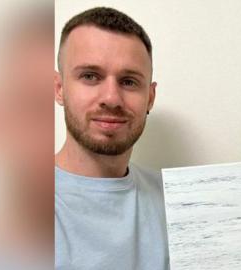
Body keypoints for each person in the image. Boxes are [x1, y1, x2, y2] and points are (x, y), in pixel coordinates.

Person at [54, 7, 170, 270]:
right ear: (59, 89)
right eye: (90, 76)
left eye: (128, 82)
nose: (111, 98)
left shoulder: (176, 200)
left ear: (150, 98)